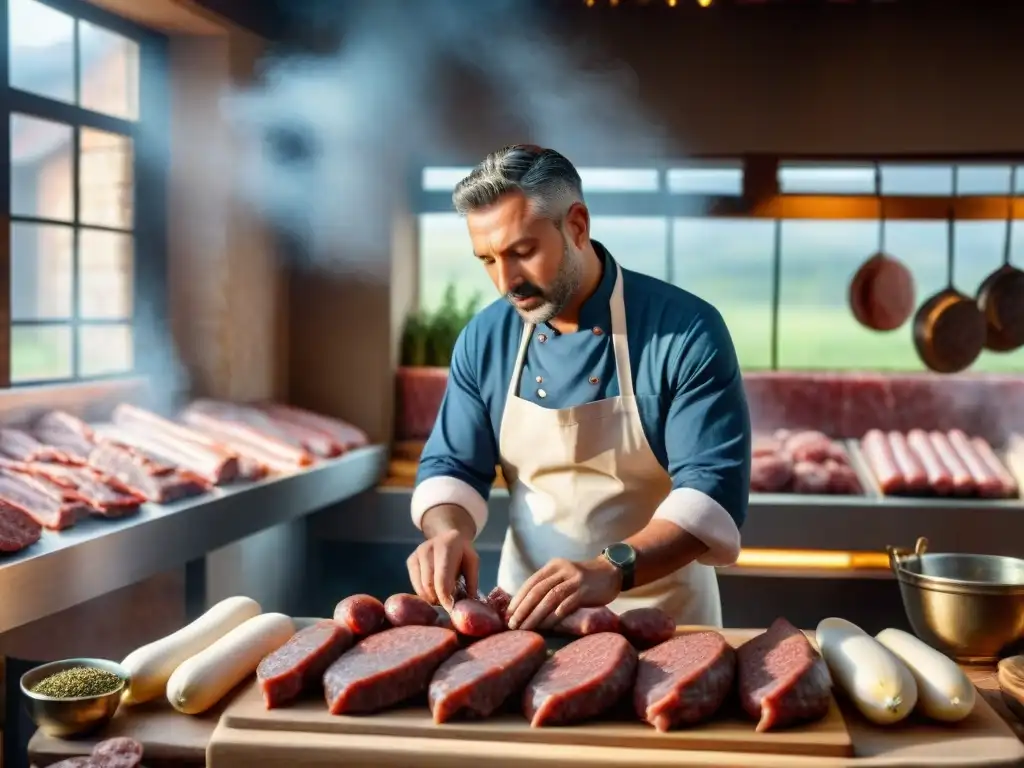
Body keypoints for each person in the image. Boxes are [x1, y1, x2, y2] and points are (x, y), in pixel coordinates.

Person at [406, 144, 751, 631]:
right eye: (487, 259)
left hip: (666, 627)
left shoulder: (686, 331)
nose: (506, 281)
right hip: (527, 623)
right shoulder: (485, 339)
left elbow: (712, 490)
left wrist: (611, 568)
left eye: (522, 252)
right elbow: (453, 467)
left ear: (577, 226)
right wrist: (446, 532)